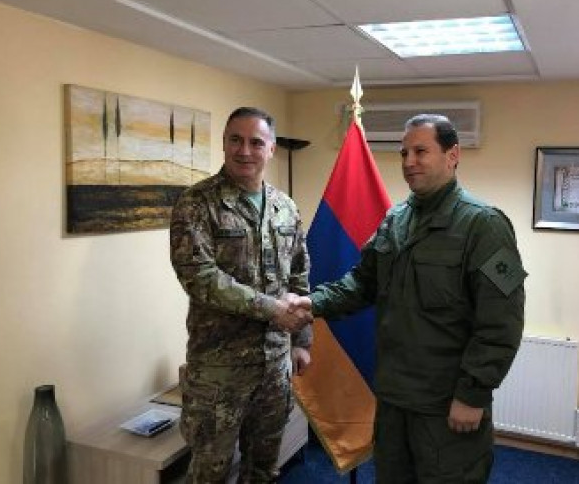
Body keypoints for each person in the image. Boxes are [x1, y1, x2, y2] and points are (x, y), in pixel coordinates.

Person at [289, 114, 526, 483]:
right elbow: (361, 283)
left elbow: (502, 321)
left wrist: (473, 394)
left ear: (453, 155)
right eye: (404, 153)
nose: (409, 162)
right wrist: (311, 303)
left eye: (420, 151)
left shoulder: (485, 225)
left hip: (445, 403)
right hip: (394, 398)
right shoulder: (395, 220)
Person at [170, 106, 313, 484]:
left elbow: (299, 275)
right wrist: (271, 309)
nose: (244, 151)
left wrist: (301, 340)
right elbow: (199, 277)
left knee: (263, 469)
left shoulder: (285, 207)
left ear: (272, 149)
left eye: (256, 142)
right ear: (224, 144)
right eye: (236, 140)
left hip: (274, 366)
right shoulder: (196, 203)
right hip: (219, 371)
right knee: (209, 473)